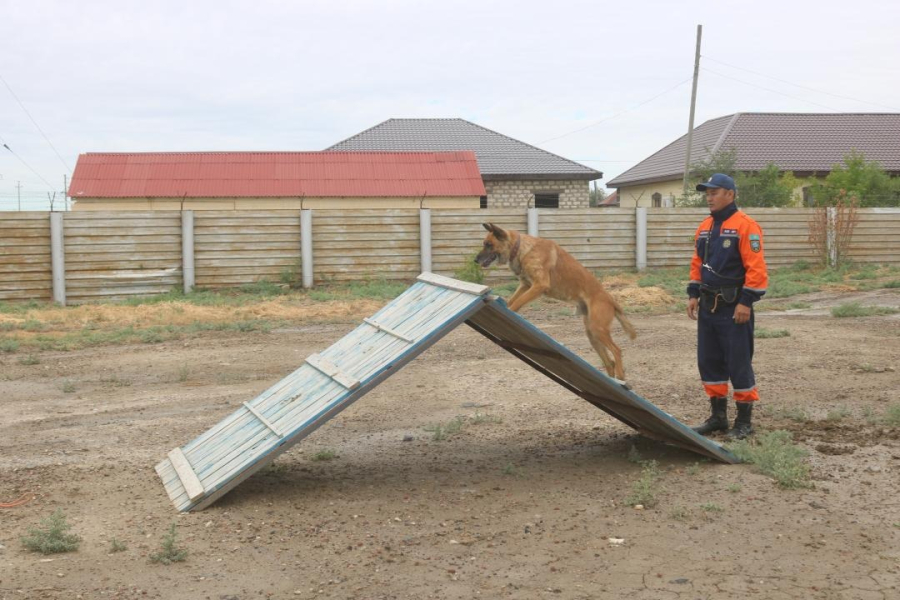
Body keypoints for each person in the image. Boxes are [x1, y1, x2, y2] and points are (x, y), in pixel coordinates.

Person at [686, 173, 768, 440]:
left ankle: (744, 422)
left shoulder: (746, 226)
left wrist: (746, 302)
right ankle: (718, 417)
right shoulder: (705, 227)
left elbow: (756, 268)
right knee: (709, 361)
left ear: (730, 195)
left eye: (715, 192)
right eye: (707, 193)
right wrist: (693, 293)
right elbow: (697, 263)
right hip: (708, 307)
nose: (709, 197)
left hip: (734, 308)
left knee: (738, 361)